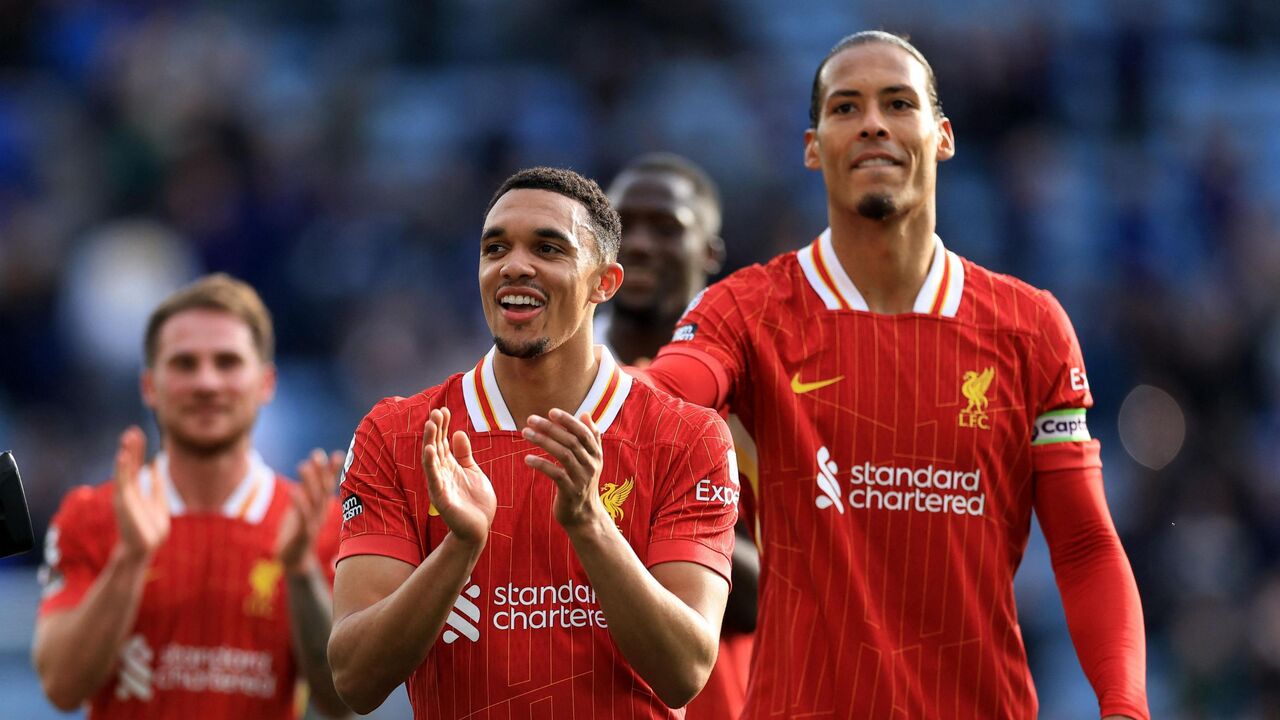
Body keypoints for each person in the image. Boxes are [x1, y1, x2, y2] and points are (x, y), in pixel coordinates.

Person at [637, 31, 1150, 720]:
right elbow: (662, 402)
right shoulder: (747, 310)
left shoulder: (1030, 328)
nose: (873, 122)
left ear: (943, 137)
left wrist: (1125, 705)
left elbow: (1085, 545)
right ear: (813, 147)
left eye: (898, 103)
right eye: (846, 107)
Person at [327, 166, 739, 719]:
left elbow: (685, 672)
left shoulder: (686, 437)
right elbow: (354, 680)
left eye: (548, 248)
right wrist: (459, 548)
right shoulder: (399, 433)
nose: (514, 266)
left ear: (605, 283)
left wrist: (590, 523)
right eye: (495, 248)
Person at [34, 273, 348, 719]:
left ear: (266, 383)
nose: (206, 382)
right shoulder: (92, 515)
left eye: (227, 362)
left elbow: (342, 701)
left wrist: (299, 569)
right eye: (184, 364)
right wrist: (129, 560)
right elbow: (61, 687)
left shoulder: (318, 523)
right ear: (149, 386)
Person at [604, 153, 757, 720]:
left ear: (710, 253)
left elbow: (773, 594)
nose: (639, 244)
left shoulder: (753, 394)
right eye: (623, 225)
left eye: (666, 228)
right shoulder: (532, 376)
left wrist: (601, 522)